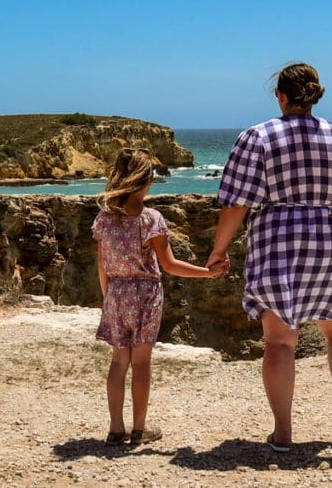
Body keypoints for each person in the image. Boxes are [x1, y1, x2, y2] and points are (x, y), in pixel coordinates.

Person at [209, 62, 332, 452]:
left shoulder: (257, 137)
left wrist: (218, 250)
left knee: (279, 343)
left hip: (273, 235)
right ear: (312, 95)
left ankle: (282, 434)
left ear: (281, 96)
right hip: (323, 234)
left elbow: (236, 204)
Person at [93, 147, 230, 446]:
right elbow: (169, 265)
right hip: (145, 292)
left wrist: (108, 298)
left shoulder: (103, 219)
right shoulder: (151, 219)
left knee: (119, 362)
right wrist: (208, 272)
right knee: (141, 362)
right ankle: (139, 430)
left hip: (116, 291)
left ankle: (116, 429)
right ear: (146, 180)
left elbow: (101, 265)